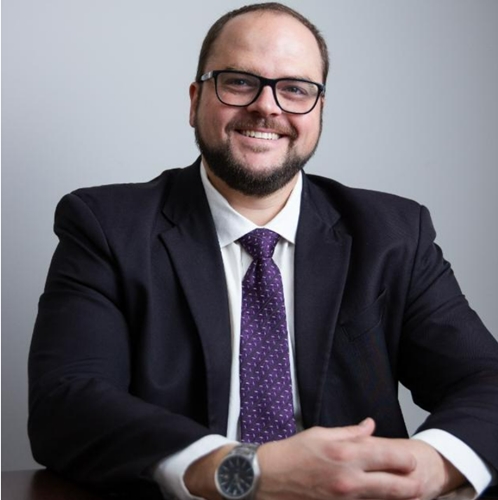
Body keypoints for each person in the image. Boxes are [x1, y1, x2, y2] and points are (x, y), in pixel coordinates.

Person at [28, 3, 498, 500]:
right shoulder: (106, 226)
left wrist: (433, 465)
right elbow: (65, 403)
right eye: (238, 82)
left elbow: (485, 379)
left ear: (319, 110)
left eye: (295, 89)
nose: (267, 107)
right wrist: (243, 470)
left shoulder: (393, 234)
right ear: (195, 100)